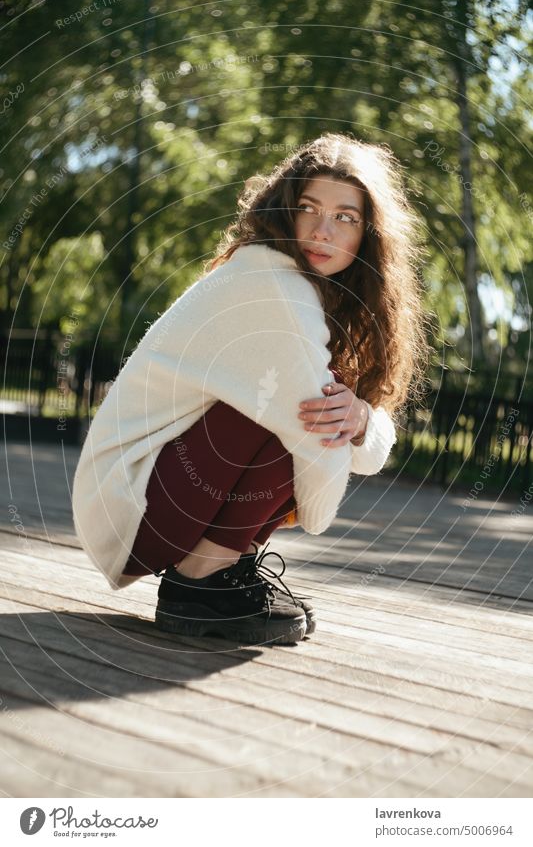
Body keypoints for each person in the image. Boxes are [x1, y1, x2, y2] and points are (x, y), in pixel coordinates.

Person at [72, 132, 429, 646]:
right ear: (286, 209)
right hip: (131, 502)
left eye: (345, 217)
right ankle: (200, 582)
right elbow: (318, 442)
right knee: (306, 406)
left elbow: (344, 437)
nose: (322, 230)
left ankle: (226, 570)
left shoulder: (289, 283)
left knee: (318, 398)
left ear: (368, 234)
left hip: (138, 499)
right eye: (309, 208)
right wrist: (355, 427)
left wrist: (361, 422)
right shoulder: (274, 287)